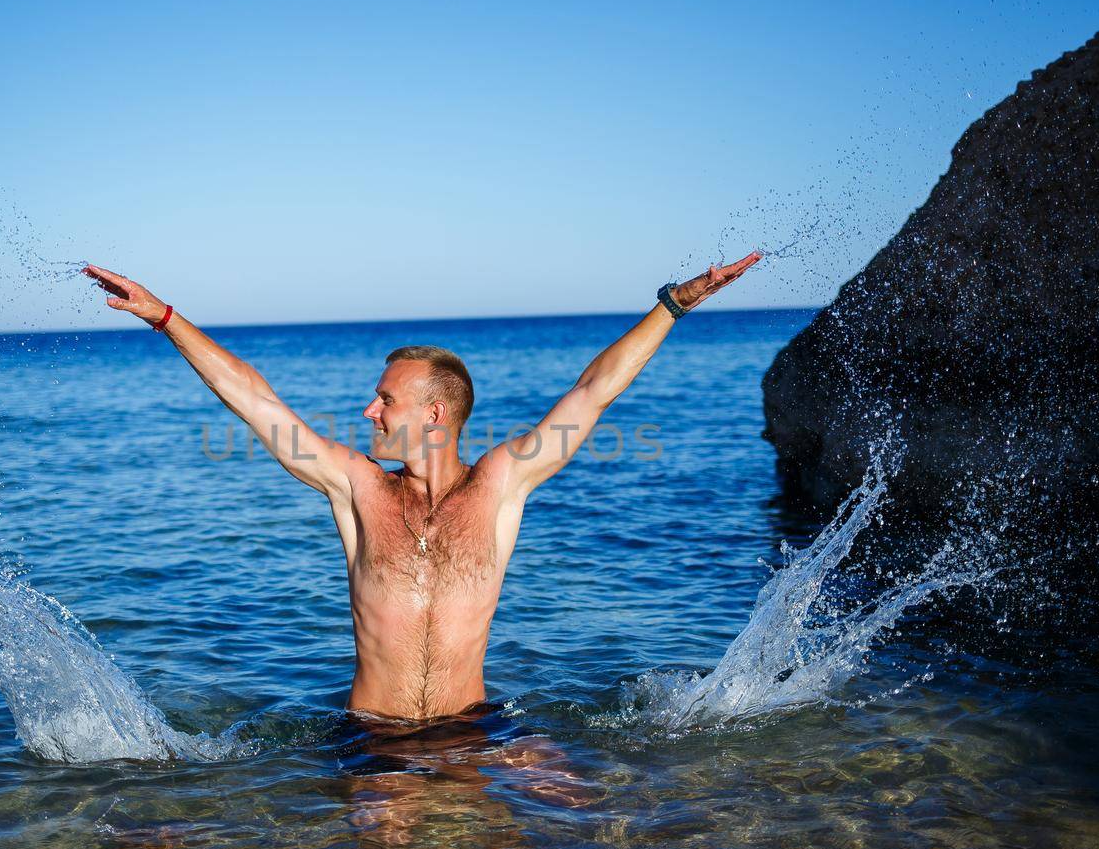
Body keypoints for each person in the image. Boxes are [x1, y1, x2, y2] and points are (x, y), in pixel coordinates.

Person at [82, 253, 760, 723]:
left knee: (573, 822)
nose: (368, 412)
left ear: (435, 413)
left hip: (476, 727)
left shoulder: (501, 482)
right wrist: (164, 316)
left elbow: (594, 389)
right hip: (373, 737)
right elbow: (254, 398)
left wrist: (673, 305)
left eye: (384, 400)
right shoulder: (355, 487)